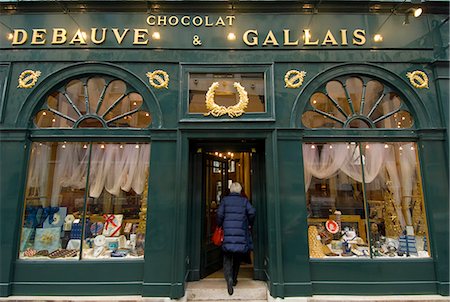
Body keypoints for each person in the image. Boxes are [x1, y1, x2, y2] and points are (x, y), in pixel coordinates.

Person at [216, 182, 256, 295]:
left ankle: (228, 278)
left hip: (227, 232)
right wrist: (249, 223)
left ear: (230, 190)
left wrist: (220, 225)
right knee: (237, 256)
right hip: (240, 232)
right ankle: (234, 279)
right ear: (240, 191)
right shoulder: (244, 201)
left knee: (227, 257)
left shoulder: (225, 200)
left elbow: (219, 214)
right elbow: (252, 212)